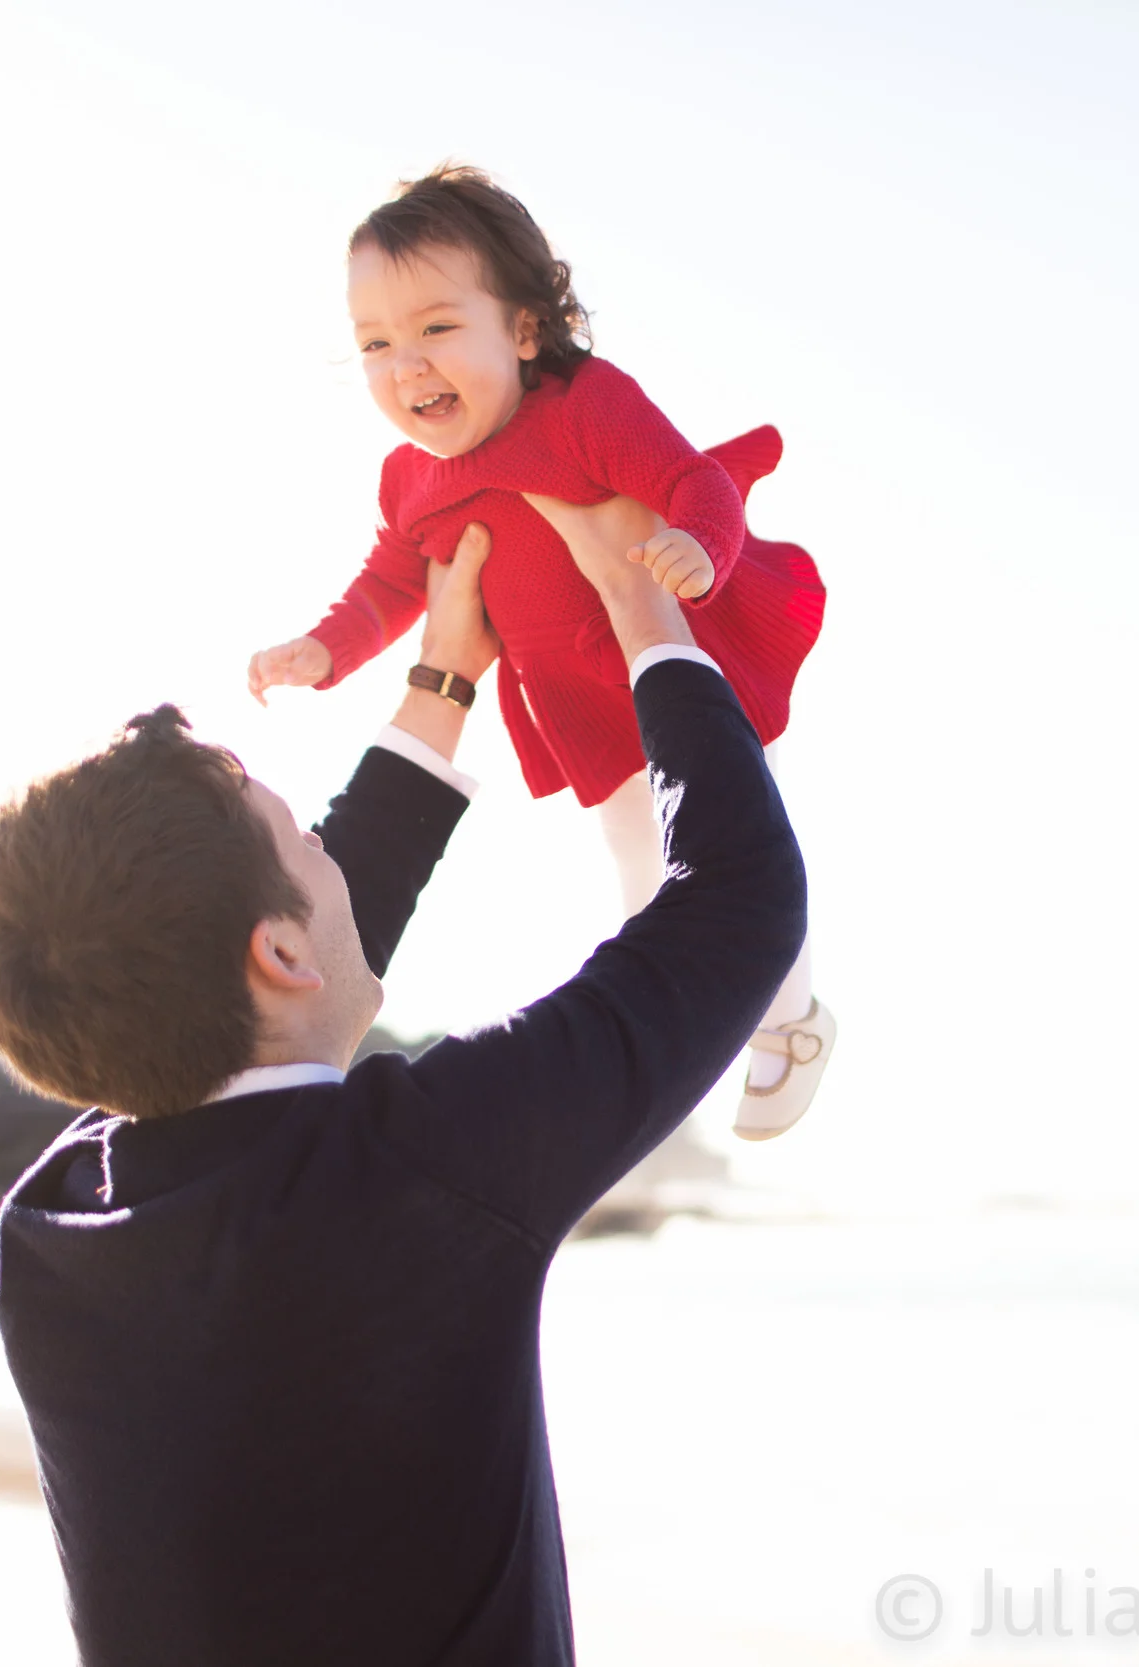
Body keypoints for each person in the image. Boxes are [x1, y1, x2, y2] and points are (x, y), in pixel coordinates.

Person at [0, 495, 806, 1665]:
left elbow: (259, 978)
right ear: (279, 950)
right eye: (305, 840)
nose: (327, 855)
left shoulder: (57, 1223)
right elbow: (736, 906)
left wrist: (443, 678)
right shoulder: (420, 1171)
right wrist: (645, 615)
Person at [244, 164, 834, 1137]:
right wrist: (324, 648)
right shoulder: (410, 479)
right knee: (641, 871)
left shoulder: (584, 408)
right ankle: (689, 1027)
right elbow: (392, 582)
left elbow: (694, 483)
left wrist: (698, 546)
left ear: (523, 330)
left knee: (733, 840)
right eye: (376, 342)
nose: (406, 365)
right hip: (578, 698)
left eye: (437, 328)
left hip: (673, 661)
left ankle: (793, 1019)